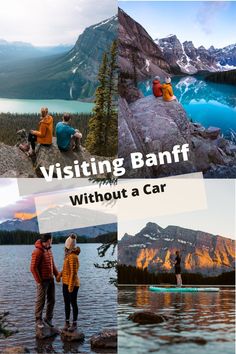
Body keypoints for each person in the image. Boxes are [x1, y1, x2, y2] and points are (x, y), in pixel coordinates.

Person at [30, 233, 59, 329]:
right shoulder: (37, 251)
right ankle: (38, 319)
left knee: (52, 300)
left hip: (50, 279)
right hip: (42, 281)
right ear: (48, 240)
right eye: (51, 239)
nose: (52, 241)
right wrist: (39, 281)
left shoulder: (49, 249)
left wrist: (57, 274)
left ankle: (48, 319)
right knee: (40, 300)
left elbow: (52, 264)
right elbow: (33, 268)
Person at [57, 234, 80, 332]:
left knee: (73, 303)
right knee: (66, 303)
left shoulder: (73, 257)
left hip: (73, 284)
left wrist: (70, 287)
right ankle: (67, 323)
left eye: (65, 247)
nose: (64, 249)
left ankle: (74, 324)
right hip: (65, 283)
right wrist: (59, 275)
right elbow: (66, 269)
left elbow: (73, 273)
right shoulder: (68, 256)